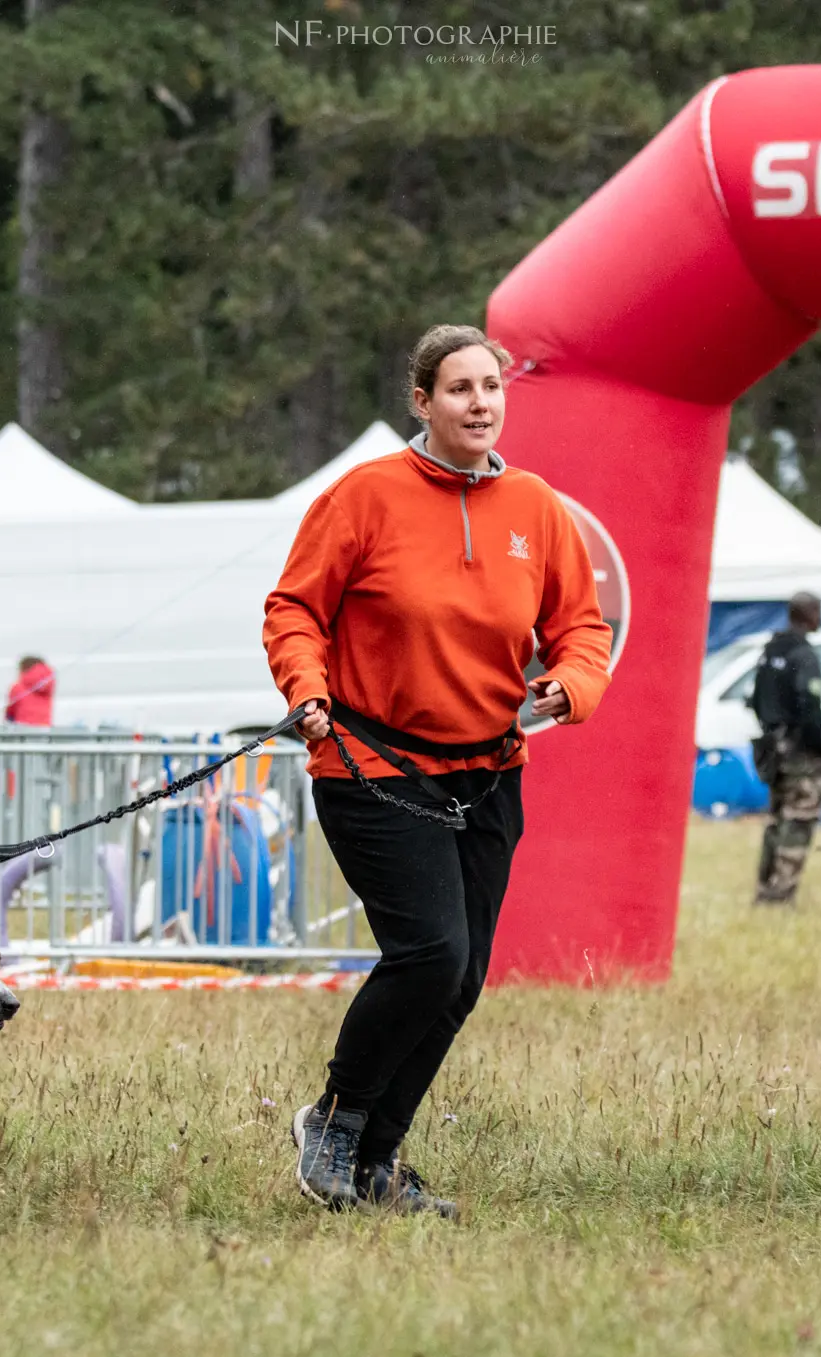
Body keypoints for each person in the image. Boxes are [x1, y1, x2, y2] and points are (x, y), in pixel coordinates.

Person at [264, 323, 612, 1217]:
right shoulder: (364, 496)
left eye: (491, 388)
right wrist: (307, 690)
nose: (481, 404)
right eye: (460, 389)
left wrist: (570, 686)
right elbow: (294, 608)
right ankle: (332, 1120)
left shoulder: (537, 507)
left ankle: (375, 1161)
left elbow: (583, 629)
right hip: (370, 762)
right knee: (431, 952)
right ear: (422, 402)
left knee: (460, 979)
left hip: (489, 771)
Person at [750, 592, 821, 904]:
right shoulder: (802, 654)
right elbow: (810, 704)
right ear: (808, 615)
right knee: (798, 820)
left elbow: (756, 699)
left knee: (777, 819)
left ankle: (765, 888)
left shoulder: (771, 651)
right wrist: (818, 746)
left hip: (773, 749)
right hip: (800, 754)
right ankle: (782, 894)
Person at [5, 656, 55, 727]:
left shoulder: (17, 687)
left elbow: (10, 713)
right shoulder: (47, 684)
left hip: (22, 729)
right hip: (44, 728)